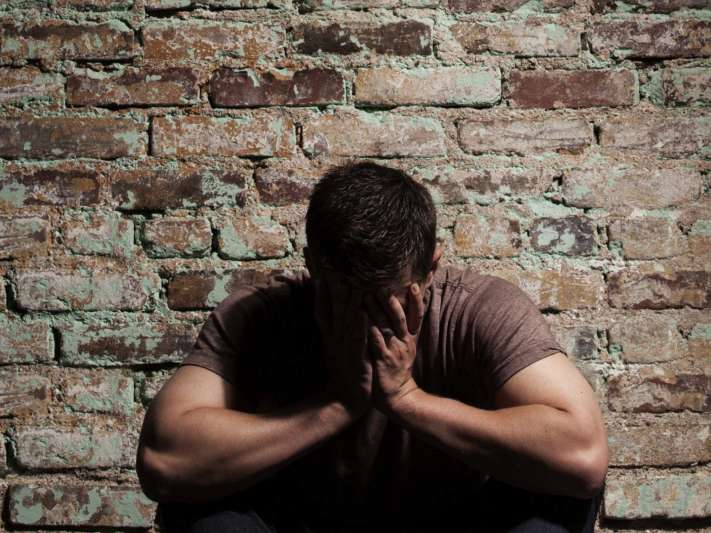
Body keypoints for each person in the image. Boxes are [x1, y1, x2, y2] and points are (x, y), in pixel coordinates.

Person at [136, 161, 608, 533]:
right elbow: (164, 461)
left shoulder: (480, 309)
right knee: (197, 499)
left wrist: (407, 400)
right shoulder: (260, 315)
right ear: (311, 268)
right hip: (305, 525)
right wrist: (338, 404)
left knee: (559, 491)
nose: (363, 320)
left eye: (386, 301)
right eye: (344, 298)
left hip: (451, 525)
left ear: (430, 269)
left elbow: (582, 456)